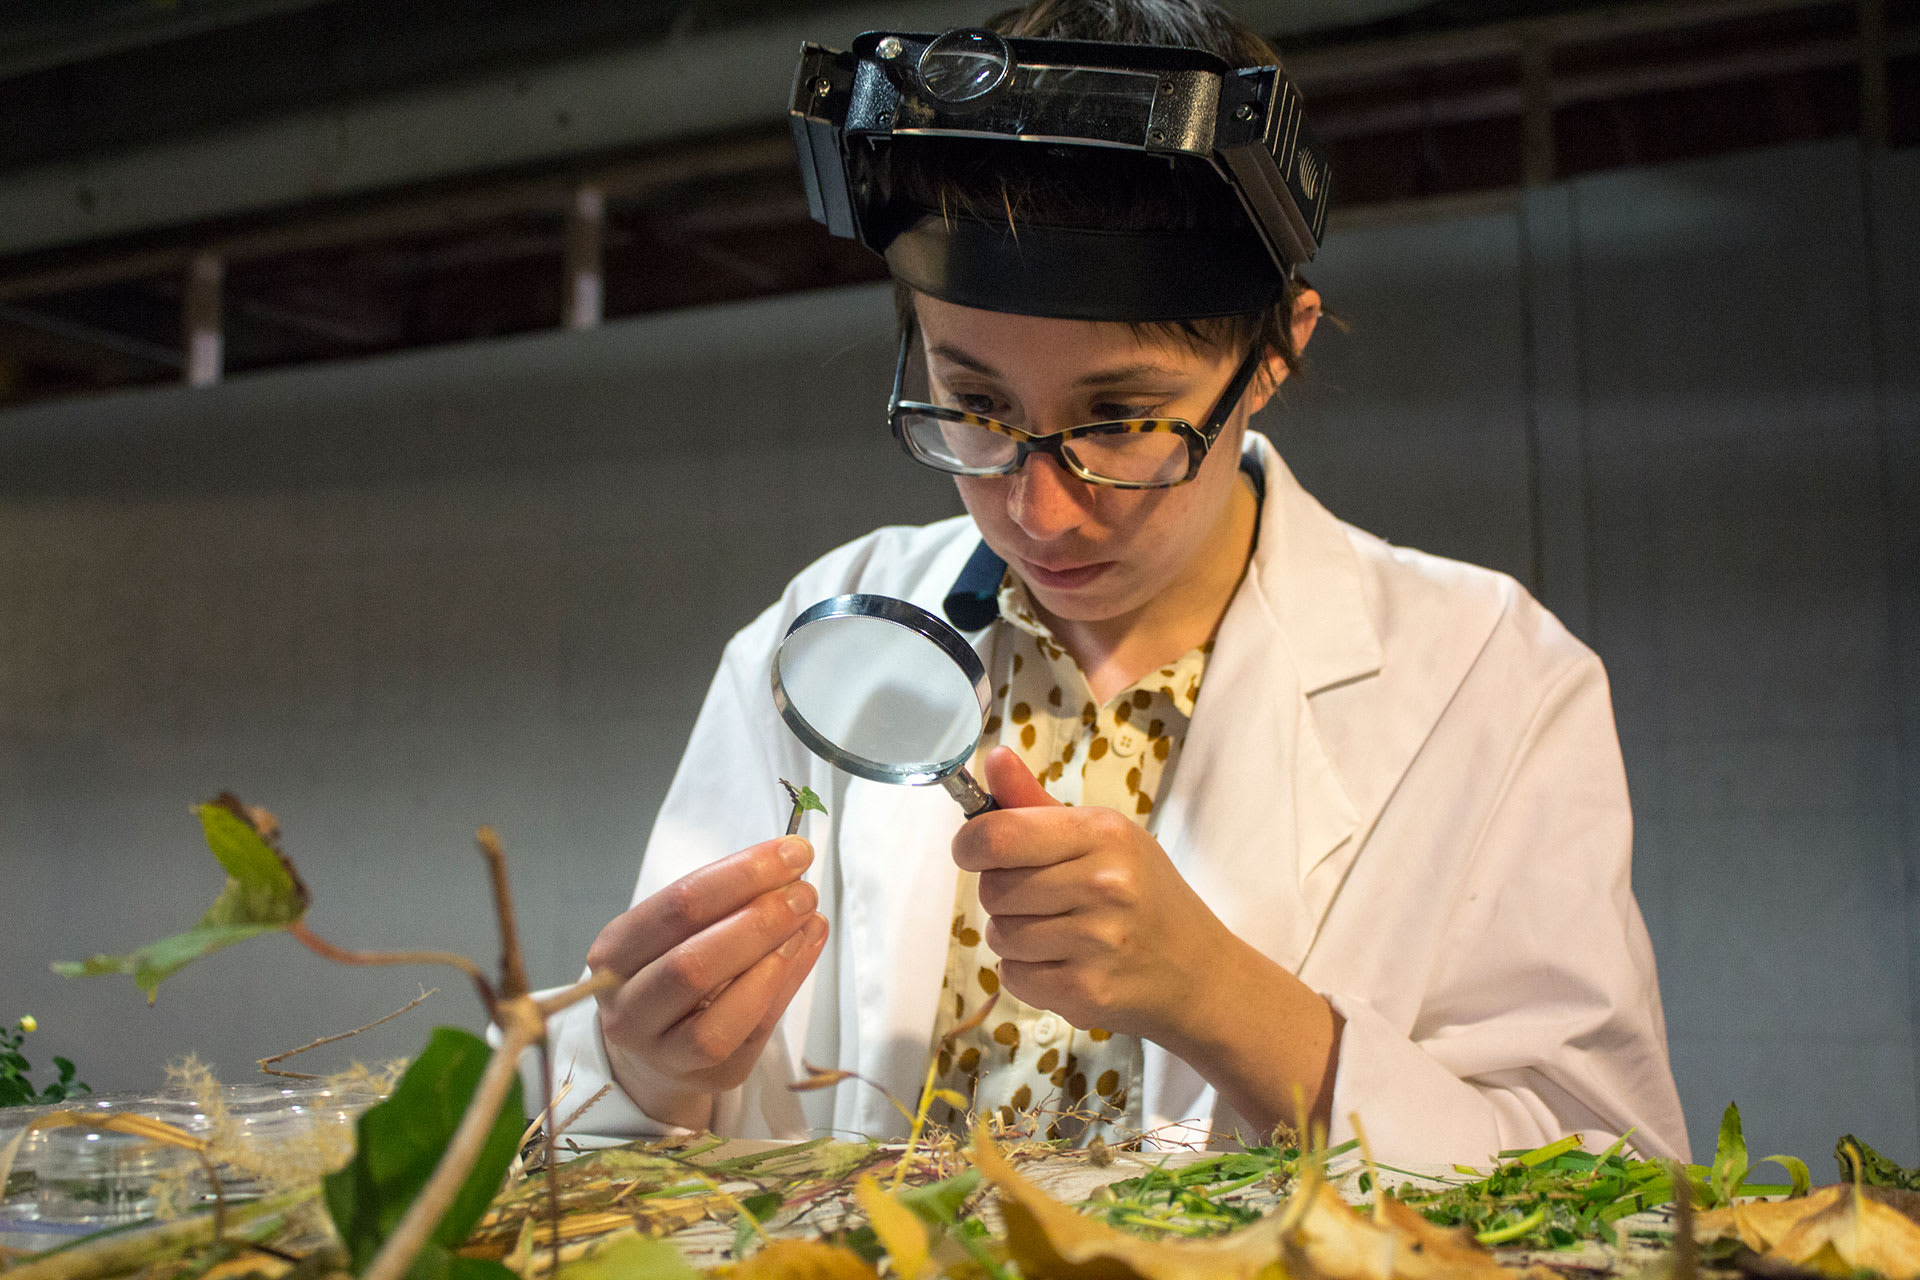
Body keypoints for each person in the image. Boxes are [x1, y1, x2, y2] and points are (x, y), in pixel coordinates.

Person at [531, 0, 1690, 1164]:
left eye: (1123, 419)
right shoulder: (819, 634)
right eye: (976, 407)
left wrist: (1225, 999)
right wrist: (642, 1070)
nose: (1039, 509)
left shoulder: (1494, 680)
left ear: (1277, 351)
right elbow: (623, 1163)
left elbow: (1619, 1178)